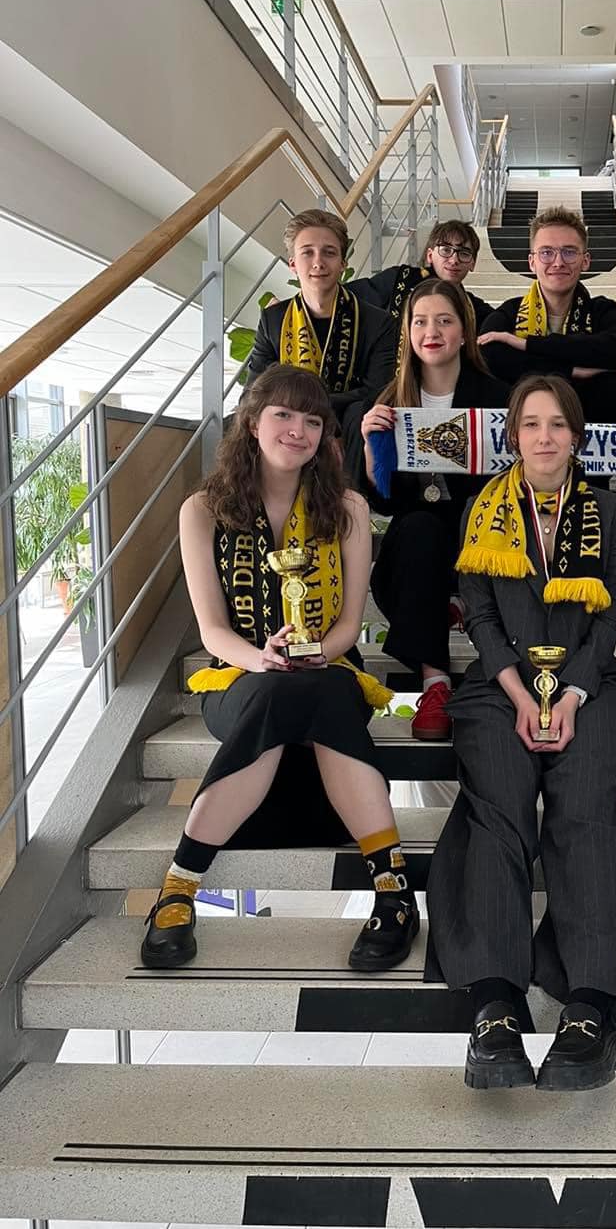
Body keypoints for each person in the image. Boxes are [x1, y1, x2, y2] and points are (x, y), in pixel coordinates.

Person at [140, 365, 418, 974]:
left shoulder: (347, 507)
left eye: (313, 421)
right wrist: (261, 659)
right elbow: (213, 631)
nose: (298, 430)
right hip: (237, 676)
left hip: (330, 666)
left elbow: (349, 623)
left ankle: (179, 886)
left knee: (322, 688)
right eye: (284, 415)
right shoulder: (203, 510)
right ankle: (393, 887)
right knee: (273, 694)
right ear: (252, 422)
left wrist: (323, 652)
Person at [425, 374, 616, 1092]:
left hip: (587, 683)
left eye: (557, 424)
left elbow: (610, 618)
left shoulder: (608, 511)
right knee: (496, 805)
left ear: (576, 436)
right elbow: (480, 616)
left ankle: (589, 1006)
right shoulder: (482, 510)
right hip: (500, 685)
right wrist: (520, 694)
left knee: (588, 802)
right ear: (512, 435)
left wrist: (571, 695)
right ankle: (494, 1004)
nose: (544, 437)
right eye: (530, 424)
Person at [361, 278, 508, 743]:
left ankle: (458, 599)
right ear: (407, 333)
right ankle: (436, 683)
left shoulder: (500, 398)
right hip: (415, 553)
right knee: (420, 527)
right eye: (420, 322)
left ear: (464, 332)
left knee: (465, 513)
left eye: (444, 321)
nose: (432, 332)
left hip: (480, 542)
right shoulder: (390, 401)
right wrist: (370, 446)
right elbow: (384, 500)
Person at [246, 210, 397, 485]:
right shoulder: (274, 320)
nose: (318, 262)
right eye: (308, 252)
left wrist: (322, 421)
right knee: (240, 420)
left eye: (329, 253)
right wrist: (303, 414)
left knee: (362, 413)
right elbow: (254, 389)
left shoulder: (378, 322)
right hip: (288, 419)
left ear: (342, 263)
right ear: (293, 264)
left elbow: (377, 391)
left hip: (347, 423)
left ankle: (350, 500)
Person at [477, 206, 616, 423]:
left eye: (569, 252)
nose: (558, 262)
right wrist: (572, 371)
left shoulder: (602, 310)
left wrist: (527, 345)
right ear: (532, 262)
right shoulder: (511, 311)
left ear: (585, 261)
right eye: (546, 252)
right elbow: (488, 354)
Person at [351, 219, 494, 336]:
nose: (454, 260)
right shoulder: (400, 279)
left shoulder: (472, 308)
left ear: (473, 263)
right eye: (446, 250)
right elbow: (349, 298)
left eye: (464, 253)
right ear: (430, 255)